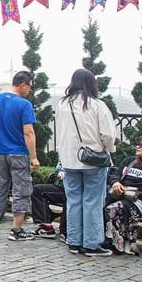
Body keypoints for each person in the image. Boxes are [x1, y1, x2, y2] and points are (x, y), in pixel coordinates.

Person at [55, 68, 117, 255]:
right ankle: (91, 244)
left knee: (73, 201)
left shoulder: (62, 105)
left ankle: (74, 241)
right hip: (93, 160)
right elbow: (107, 134)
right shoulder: (97, 105)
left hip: (68, 159)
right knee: (93, 201)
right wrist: (109, 149)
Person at [0, 70, 40, 241]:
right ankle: (16, 229)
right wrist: (34, 156)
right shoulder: (24, 104)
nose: (30, 90)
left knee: (0, 186)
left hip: (1, 152)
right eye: (29, 87)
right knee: (21, 190)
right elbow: (28, 132)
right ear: (23, 85)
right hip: (19, 153)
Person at [30, 164, 68, 239]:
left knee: (69, 197)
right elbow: (58, 170)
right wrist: (59, 173)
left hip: (74, 190)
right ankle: (46, 226)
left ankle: (65, 231)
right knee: (38, 190)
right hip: (62, 188)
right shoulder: (64, 156)